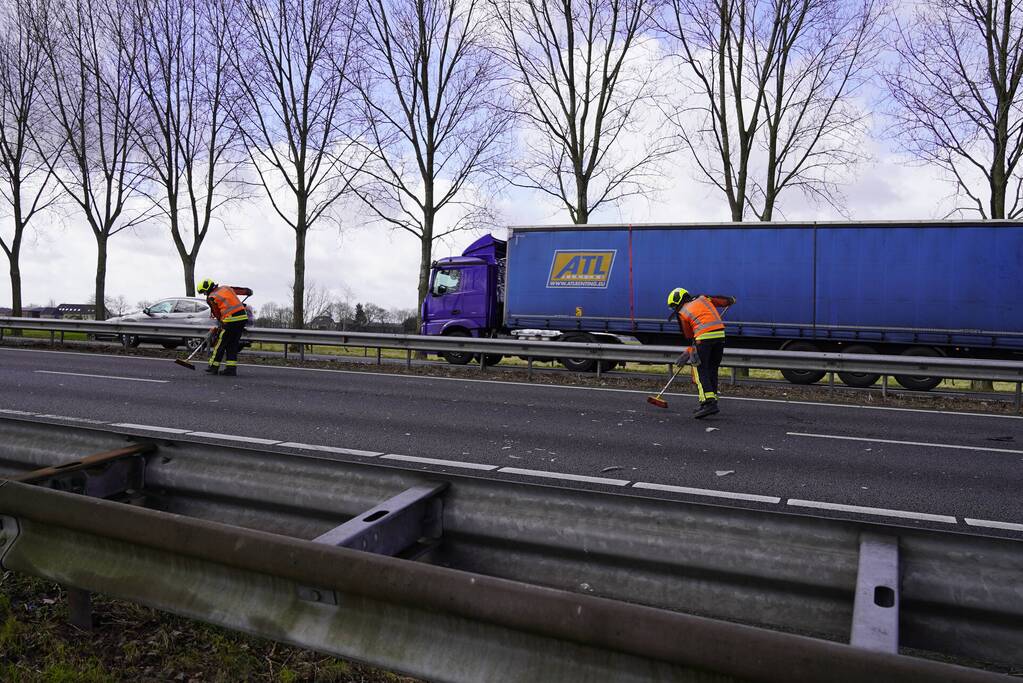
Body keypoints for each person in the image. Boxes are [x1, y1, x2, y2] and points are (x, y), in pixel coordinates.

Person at [667, 288, 735, 419]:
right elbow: (722, 300)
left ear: (677, 303)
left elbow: (688, 334)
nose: (675, 310)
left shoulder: (682, 312)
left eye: (674, 307)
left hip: (703, 338)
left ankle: (709, 403)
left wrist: (692, 347)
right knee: (712, 369)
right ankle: (709, 401)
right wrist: (730, 300)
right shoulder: (703, 298)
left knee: (700, 369)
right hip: (720, 336)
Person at [197, 278, 252, 376]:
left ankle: (213, 367)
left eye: (204, 292)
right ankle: (231, 369)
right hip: (242, 318)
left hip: (230, 321)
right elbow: (240, 290)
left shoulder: (211, 297)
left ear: (207, 289)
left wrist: (221, 322)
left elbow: (217, 313)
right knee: (232, 345)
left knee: (220, 344)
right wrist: (248, 291)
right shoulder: (225, 288)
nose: (205, 294)